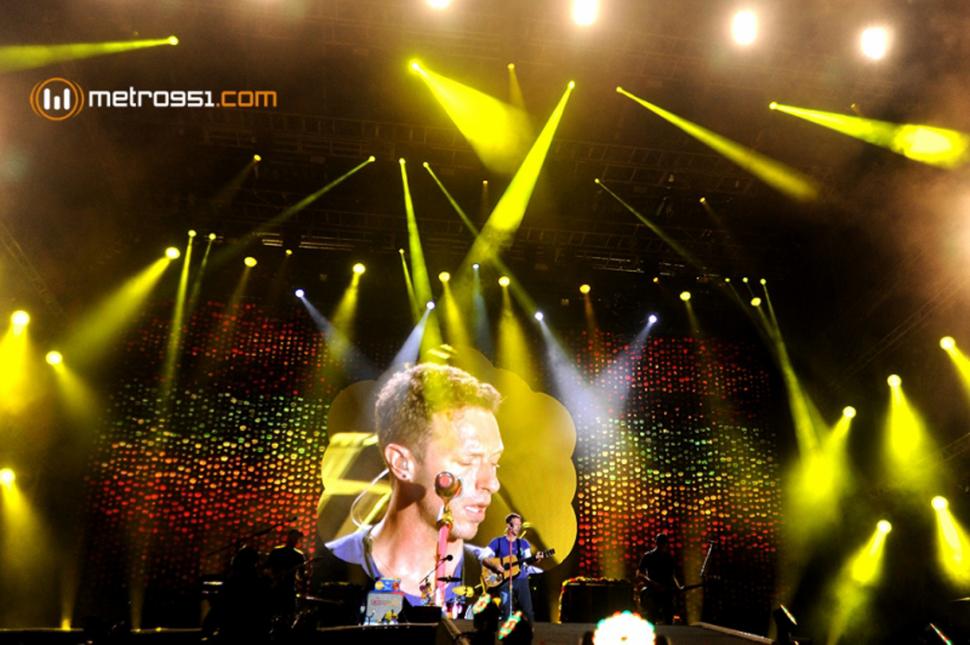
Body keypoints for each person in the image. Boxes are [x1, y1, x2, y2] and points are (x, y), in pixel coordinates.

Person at [320, 363, 503, 609]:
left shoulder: (501, 583)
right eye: (467, 461)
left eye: (494, 462)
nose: (491, 483)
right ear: (401, 463)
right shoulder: (327, 571)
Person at [482, 512, 536, 623]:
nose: (519, 527)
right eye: (516, 525)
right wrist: (495, 565)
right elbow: (483, 557)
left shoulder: (523, 543)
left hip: (521, 580)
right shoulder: (498, 542)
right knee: (506, 610)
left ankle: (529, 631)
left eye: (520, 525)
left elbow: (528, 561)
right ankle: (505, 632)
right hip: (504, 581)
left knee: (527, 611)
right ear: (509, 526)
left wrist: (536, 558)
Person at [636, 533, 683, 625]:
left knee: (668, 617)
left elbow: (672, 575)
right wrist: (653, 583)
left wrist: (677, 587)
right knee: (651, 617)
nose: (662, 544)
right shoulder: (648, 556)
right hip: (653, 591)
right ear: (656, 542)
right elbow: (639, 574)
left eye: (663, 542)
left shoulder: (668, 557)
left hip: (666, 591)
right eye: (660, 542)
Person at [265, 528, 307, 626]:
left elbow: (301, 576)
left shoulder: (299, 555)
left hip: (288, 588)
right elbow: (266, 568)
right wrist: (273, 578)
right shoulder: (277, 551)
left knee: (288, 615)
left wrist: (304, 575)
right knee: (272, 613)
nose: (294, 540)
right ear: (288, 538)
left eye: (296, 538)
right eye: (293, 538)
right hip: (276, 588)